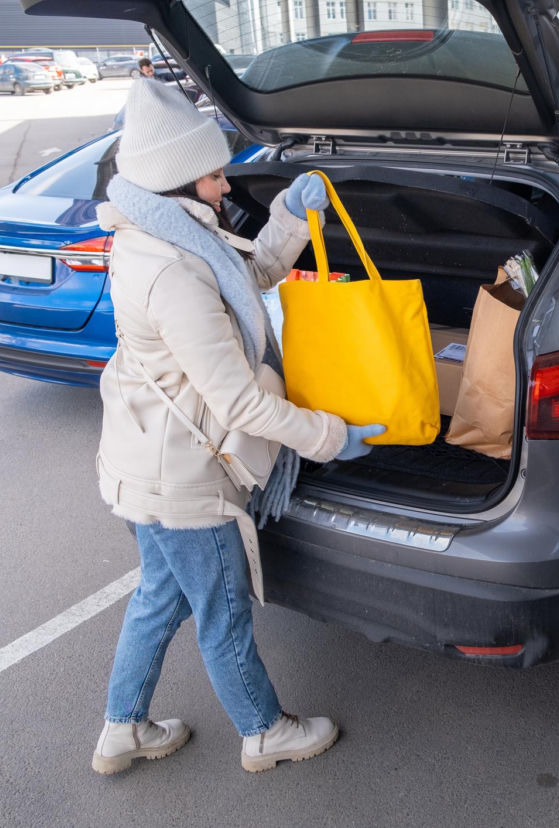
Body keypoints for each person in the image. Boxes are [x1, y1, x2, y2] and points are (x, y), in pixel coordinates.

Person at [90, 79, 384, 775]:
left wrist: (287, 214)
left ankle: (121, 730)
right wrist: (327, 435)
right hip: (183, 479)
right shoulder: (170, 274)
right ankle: (264, 732)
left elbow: (251, 274)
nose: (226, 188)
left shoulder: (171, 233)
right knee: (222, 612)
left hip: (146, 463)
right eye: (215, 175)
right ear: (176, 183)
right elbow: (242, 404)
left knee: (160, 597)